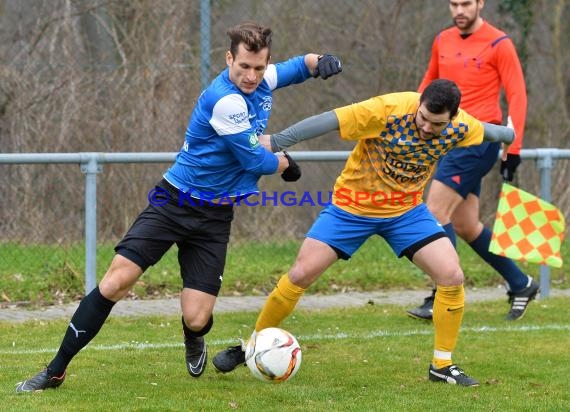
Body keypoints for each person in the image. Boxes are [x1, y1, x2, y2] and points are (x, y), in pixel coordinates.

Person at [15, 22, 342, 392]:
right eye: (243, 67)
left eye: (258, 67)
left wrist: (321, 62)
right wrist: (283, 163)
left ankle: (193, 335)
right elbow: (254, 161)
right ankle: (55, 370)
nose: (251, 76)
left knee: (198, 317)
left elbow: (298, 66)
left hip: (215, 216)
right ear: (229, 58)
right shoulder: (225, 99)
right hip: (173, 201)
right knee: (115, 281)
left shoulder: (263, 78)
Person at [212, 79, 516, 387]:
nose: (425, 128)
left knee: (452, 276)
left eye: (435, 124)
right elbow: (329, 120)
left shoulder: (461, 127)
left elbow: (491, 132)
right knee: (301, 273)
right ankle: (250, 346)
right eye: (422, 117)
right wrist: (277, 141)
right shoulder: (387, 110)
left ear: (451, 119)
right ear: (419, 104)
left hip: (406, 213)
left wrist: (511, 137)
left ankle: (442, 365)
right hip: (351, 208)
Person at [406, 0, 538, 322]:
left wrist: (514, 147)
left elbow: (518, 95)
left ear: (480, 4)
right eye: (453, 4)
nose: (459, 10)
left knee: (436, 211)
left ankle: (444, 294)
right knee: (465, 224)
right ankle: (522, 284)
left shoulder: (499, 43)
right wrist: (408, 121)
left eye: (466, 3)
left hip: (479, 140)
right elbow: (427, 86)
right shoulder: (442, 40)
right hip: (447, 141)